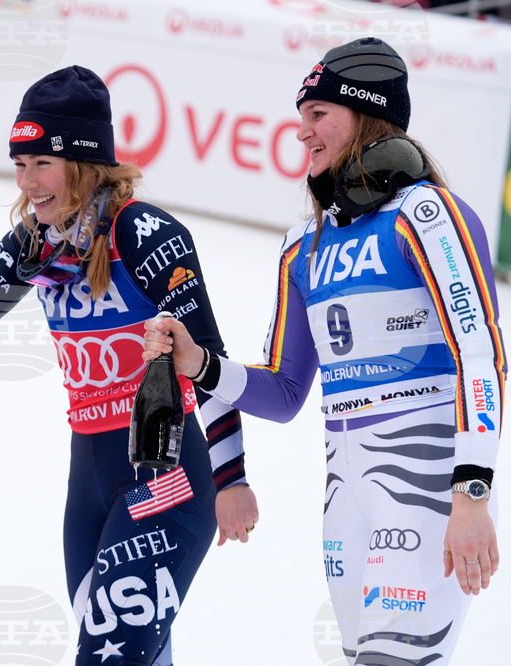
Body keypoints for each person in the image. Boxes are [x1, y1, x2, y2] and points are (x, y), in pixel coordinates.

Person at [144, 38, 504, 665]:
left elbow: (482, 356)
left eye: (318, 114)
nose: (301, 130)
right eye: (300, 115)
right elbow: (284, 392)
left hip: (426, 477)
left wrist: (471, 495)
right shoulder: (301, 245)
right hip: (345, 492)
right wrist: (198, 364)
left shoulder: (426, 214)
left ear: (365, 115)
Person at [0, 65, 258, 666]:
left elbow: (211, 366)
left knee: (107, 659)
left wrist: (232, 479)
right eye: (19, 165)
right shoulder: (35, 240)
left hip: (166, 478)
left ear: (84, 162)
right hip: (89, 481)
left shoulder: (144, 232)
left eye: (41, 163)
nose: (28, 182)